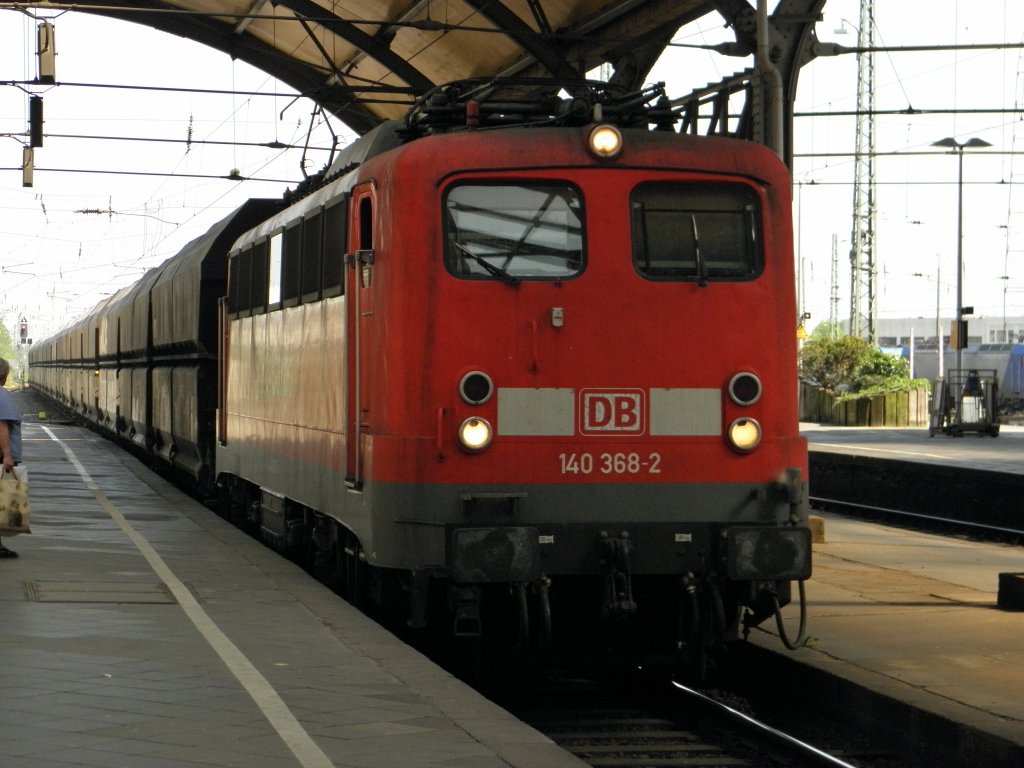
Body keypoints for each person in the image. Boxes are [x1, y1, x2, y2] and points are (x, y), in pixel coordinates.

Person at [0, 358, 24, 558]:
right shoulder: (1, 395)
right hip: (1, 458)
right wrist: (7, 455)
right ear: (5, 376)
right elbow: (1, 426)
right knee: (2, 501)